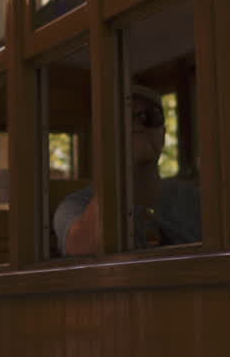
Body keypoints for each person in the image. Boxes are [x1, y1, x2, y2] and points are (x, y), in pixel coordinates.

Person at [54, 86, 200, 255]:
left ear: (163, 134)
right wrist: (123, 161)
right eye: (123, 119)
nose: (137, 125)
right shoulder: (74, 205)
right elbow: (83, 251)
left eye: (150, 117)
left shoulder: (193, 199)